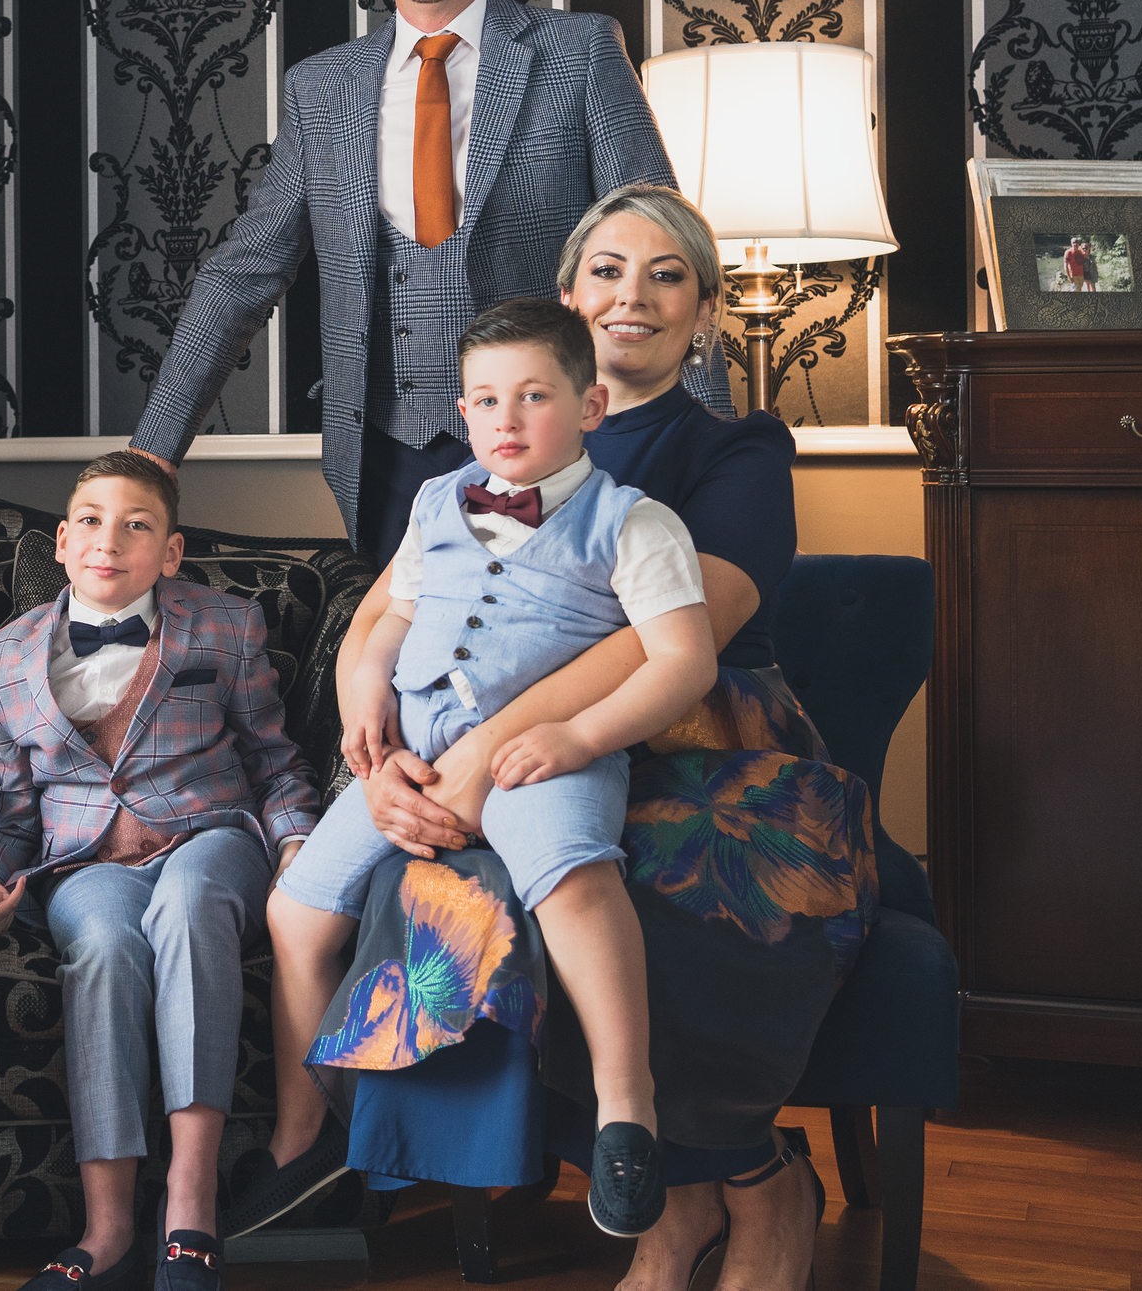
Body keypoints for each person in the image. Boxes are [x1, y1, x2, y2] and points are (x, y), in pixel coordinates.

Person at [307, 188, 873, 1291]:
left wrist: (490, 749)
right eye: (608, 269)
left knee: (648, 883)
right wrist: (371, 751)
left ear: (706, 309)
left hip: (704, 735)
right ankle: (666, 1193)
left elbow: (686, 636)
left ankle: (758, 1181)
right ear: (569, 296)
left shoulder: (736, 448)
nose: (633, 295)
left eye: (667, 274)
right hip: (502, 748)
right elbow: (383, 617)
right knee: (459, 890)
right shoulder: (496, 444)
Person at [125, 0, 723, 570]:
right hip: (385, 460)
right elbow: (242, 275)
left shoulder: (580, 52)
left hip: (558, 447)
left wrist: (709, 445)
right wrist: (151, 452)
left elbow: (667, 250)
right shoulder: (321, 89)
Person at [260, 298, 716, 1240]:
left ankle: (627, 1106)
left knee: (571, 877)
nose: (506, 419)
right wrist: (366, 694)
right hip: (415, 753)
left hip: (542, 756)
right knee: (295, 913)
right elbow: (391, 616)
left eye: (534, 396)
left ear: (590, 405)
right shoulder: (437, 501)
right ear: (463, 410)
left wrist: (579, 739)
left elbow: (683, 661)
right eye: (485, 400)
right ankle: (305, 1141)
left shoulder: (634, 523)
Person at [0, 451, 321, 1291]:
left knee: (189, 907)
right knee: (104, 947)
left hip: (209, 835)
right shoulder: (1, 658)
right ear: (61, 540)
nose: (109, 540)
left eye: (137, 525)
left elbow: (274, 762)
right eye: (91, 520)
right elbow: (14, 812)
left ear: (171, 551)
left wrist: (296, 842)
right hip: (86, 863)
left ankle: (190, 1209)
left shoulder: (225, 624)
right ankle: (111, 1227)